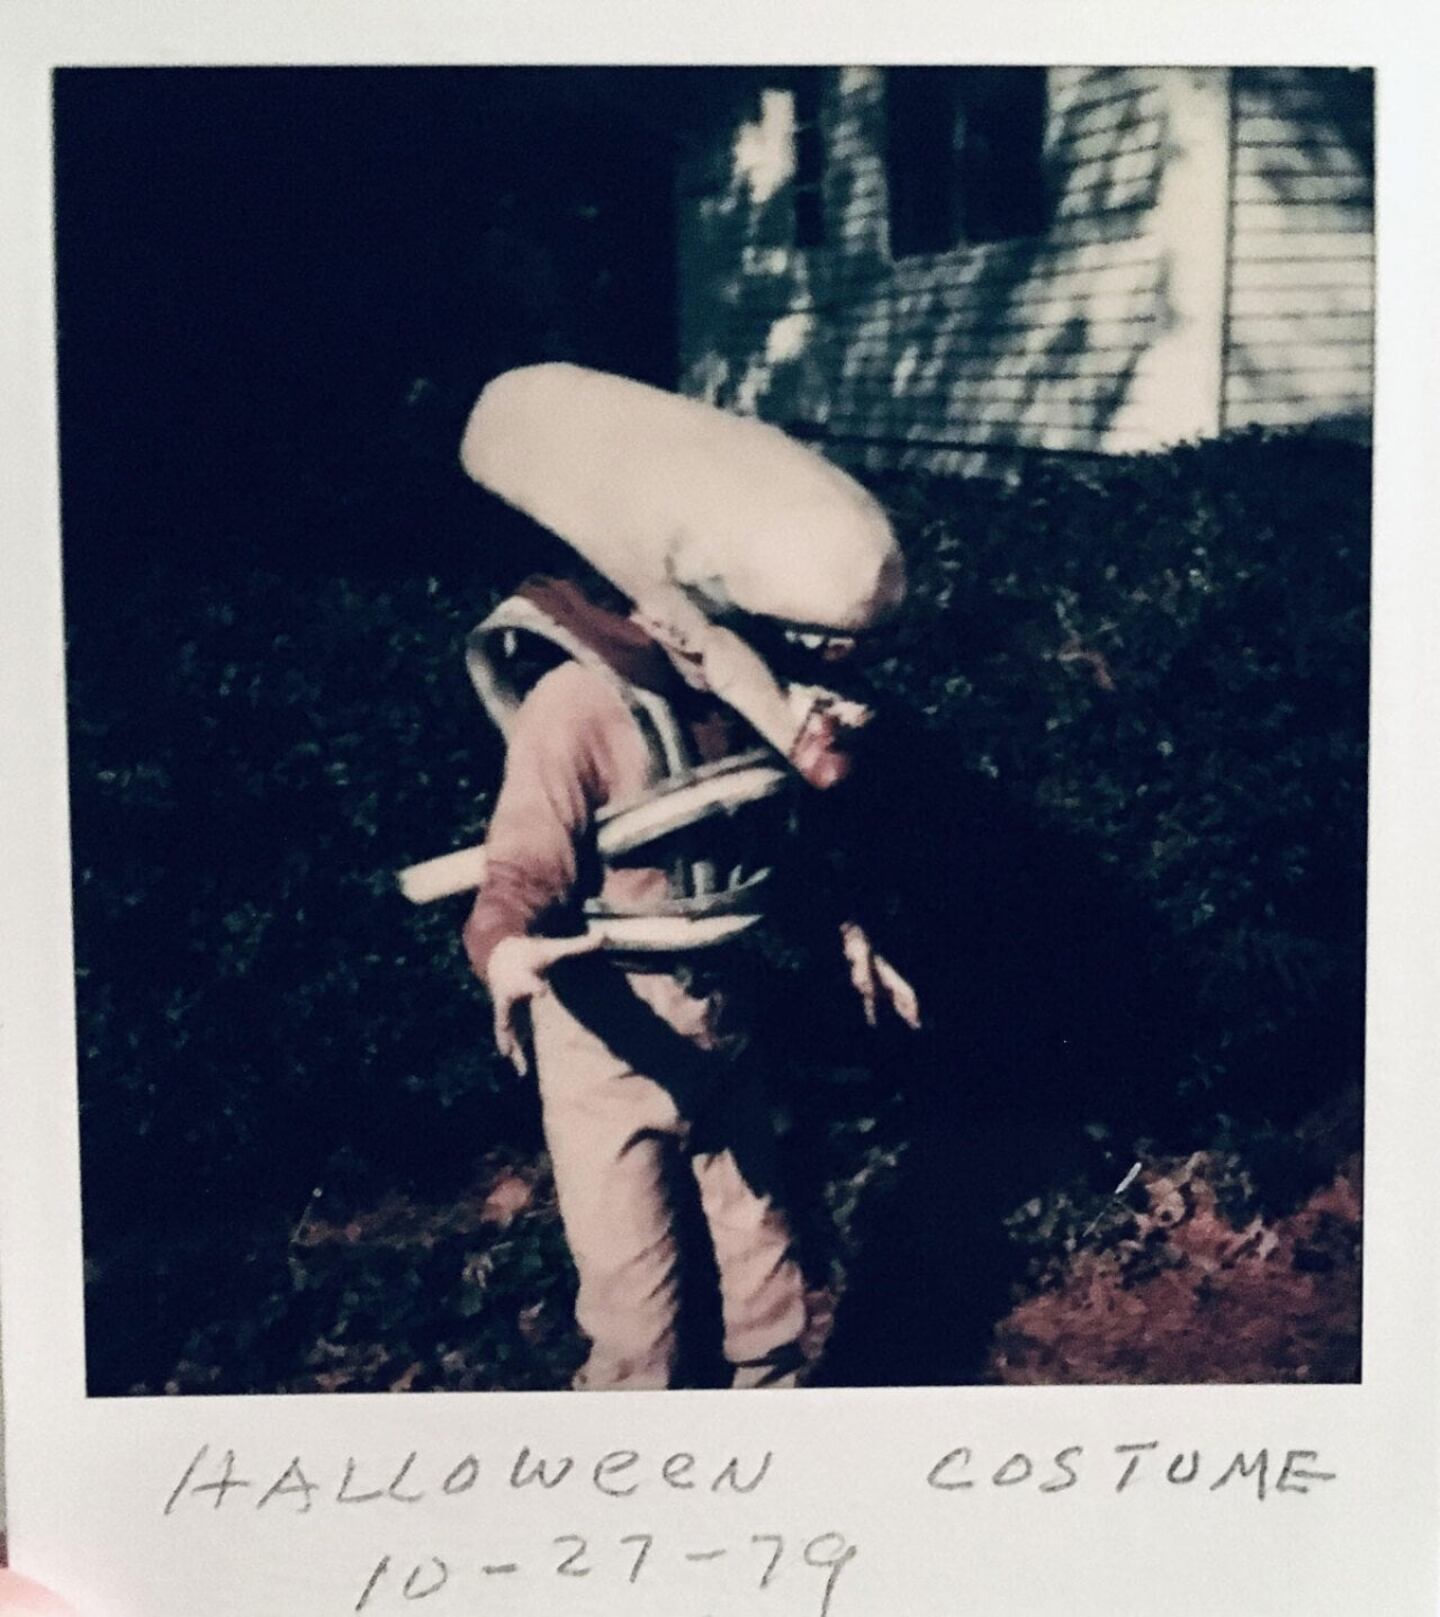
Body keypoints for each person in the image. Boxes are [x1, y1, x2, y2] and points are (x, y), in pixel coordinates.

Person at [432, 364, 920, 1390]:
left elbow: (785, 841)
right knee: (635, 1319)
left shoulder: (747, 709)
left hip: (725, 1030)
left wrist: (851, 933)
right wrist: (504, 948)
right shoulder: (577, 707)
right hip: (609, 1041)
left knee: (768, 1289)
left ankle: (765, 1438)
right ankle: (634, 1462)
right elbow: (522, 862)